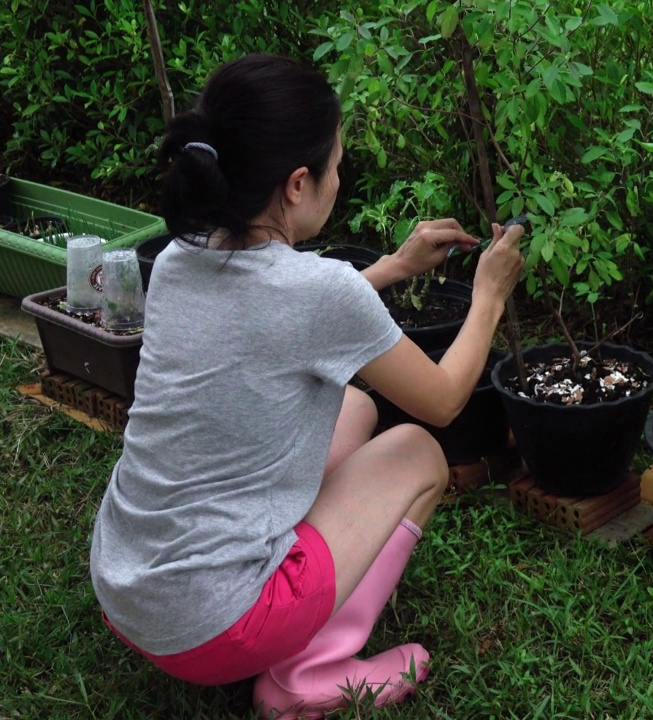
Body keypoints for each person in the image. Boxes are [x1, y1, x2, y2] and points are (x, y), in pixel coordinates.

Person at [88, 53, 524, 719]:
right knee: (417, 451)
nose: (339, 178)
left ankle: (278, 602)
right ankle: (306, 674)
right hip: (213, 629)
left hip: (126, 586)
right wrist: (488, 296)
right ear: (297, 185)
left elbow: (281, 312)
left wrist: (389, 268)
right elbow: (442, 399)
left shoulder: (180, 258)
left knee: (349, 407)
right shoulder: (316, 293)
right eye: (337, 166)